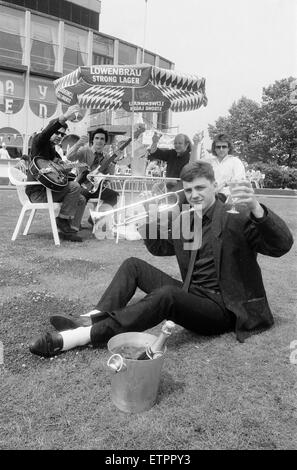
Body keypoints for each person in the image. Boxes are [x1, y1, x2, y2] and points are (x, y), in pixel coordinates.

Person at [29, 161, 294, 357]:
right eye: (189, 191)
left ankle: (80, 336)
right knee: (133, 265)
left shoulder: (237, 215)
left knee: (167, 295)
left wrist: (258, 209)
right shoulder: (189, 219)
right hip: (193, 294)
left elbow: (281, 245)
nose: (195, 195)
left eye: (201, 188)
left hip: (223, 309)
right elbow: (160, 249)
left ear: (214, 186)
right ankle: (92, 316)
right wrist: (148, 219)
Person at [26, 104, 86, 242]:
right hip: (38, 194)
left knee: (81, 199)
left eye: (62, 134)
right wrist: (64, 117)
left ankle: (70, 231)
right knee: (75, 187)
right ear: (50, 131)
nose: (60, 136)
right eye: (57, 132)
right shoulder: (39, 142)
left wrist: (77, 166)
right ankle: (62, 222)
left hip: (50, 189)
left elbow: (61, 168)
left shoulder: (52, 151)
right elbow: (46, 133)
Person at [66, 127, 119, 228]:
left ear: (105, 142)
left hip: (96, 187)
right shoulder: (85, 151)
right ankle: (74, 223)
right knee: (83, 195)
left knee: (114, 196)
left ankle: (95, 218)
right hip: (82, 186)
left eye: (102, 139)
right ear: (93, 140)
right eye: (97, 138)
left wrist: (114, 162)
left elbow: (110, 175)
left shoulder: (106, 156)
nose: (99, 141)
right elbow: (69, 157)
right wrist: (79, 144)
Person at [203, 134, 246, 200]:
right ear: (214, 148)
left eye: (224, 147)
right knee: (187, 200)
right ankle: (188, 210)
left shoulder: (235, 162)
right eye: (218, 147)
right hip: (208, 194)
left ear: (229, 148)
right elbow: (192, 166)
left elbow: (238, 181)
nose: (221, 149)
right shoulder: (209, 162)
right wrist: (196, 144)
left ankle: (198, 209)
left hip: (225, 197)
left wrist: (223, 184)